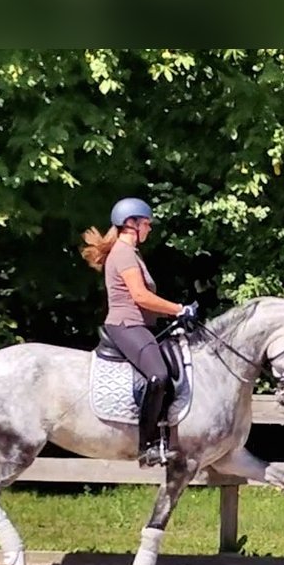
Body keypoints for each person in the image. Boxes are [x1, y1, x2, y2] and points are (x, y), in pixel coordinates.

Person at [81, 197, 199, 467]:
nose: (149, 229)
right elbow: (140, 296)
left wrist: (176, 315)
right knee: (158, 376)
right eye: (147, 224)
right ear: (131, 224)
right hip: (126, 324)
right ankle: (147, 446)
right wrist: (178, 309)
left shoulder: (131, 253)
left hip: (139, 324)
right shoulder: (123, 253)